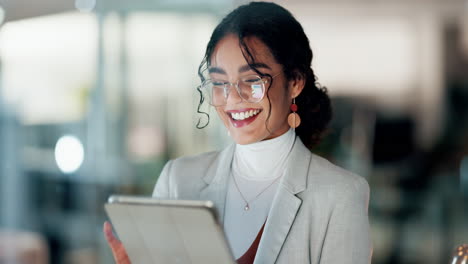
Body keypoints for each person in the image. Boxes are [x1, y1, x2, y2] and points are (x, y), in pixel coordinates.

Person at [104, 2, 372, 263]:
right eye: (220, 83)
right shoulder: (179, 181)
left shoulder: (340, 195)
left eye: (253, 80)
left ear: (295, 82)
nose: (232, 99)